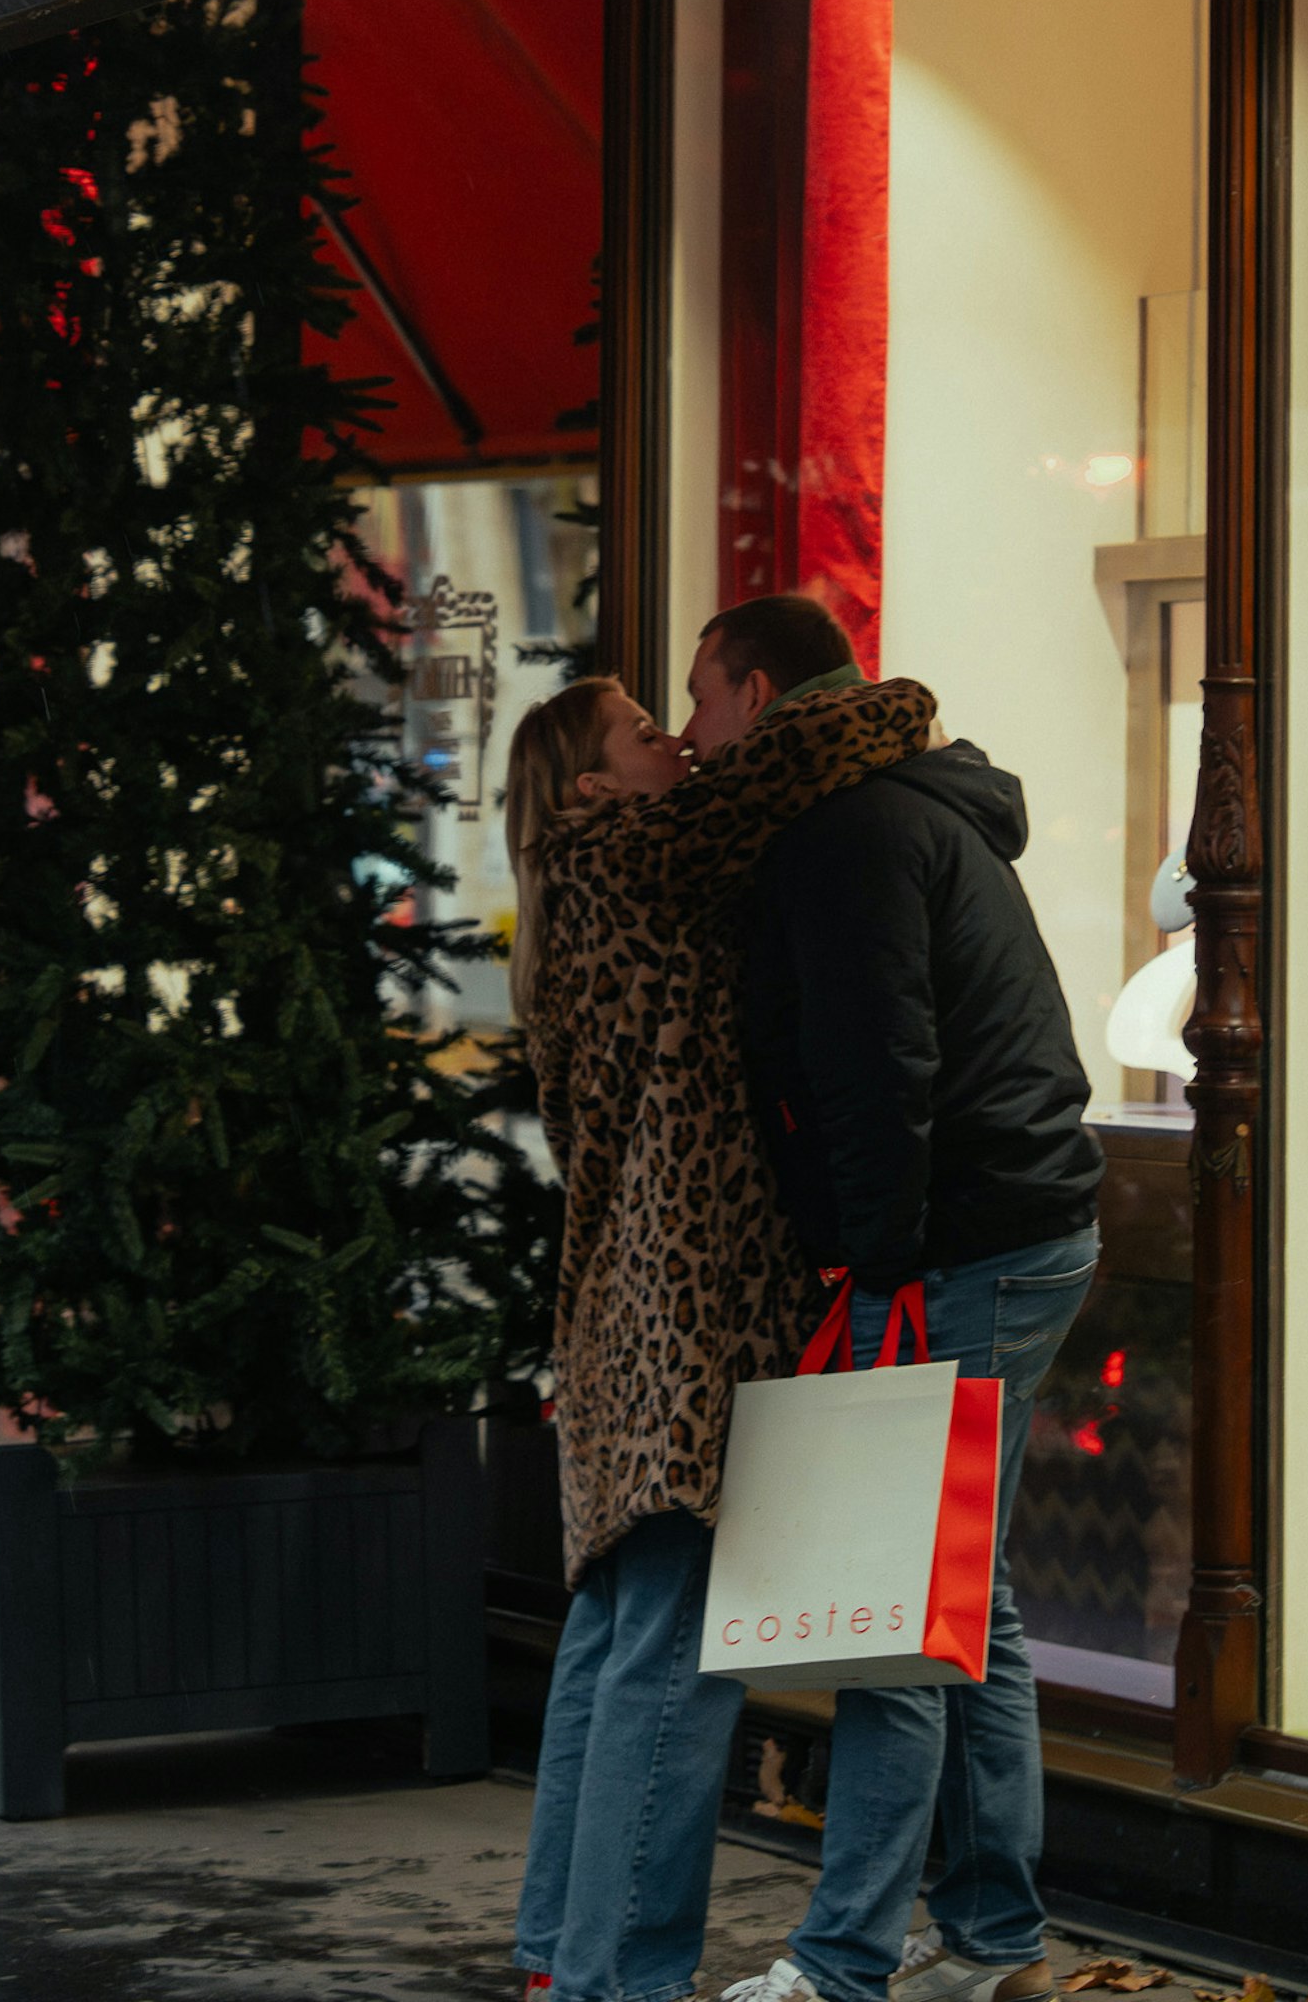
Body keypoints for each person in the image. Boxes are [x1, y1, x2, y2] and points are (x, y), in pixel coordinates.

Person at [683, 595, 1103, 2002]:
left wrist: (871, 1266)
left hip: (956, 1252)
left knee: (904, 1616)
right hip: (1011, 1232)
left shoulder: (843, 830)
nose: (690, 736)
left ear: (754, 690)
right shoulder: (913, 805)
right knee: (961, 1609)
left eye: (698, 700)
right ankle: (992, 1946)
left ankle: (843, 1961)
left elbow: (879, 1068)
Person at [501, 665, 937, 2002]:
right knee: (675, 1647)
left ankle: (557, 1955)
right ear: (591, 783)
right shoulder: (633, 851)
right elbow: (831, 738)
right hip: (688, 1318)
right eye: (647, 730)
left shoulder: (582, 885)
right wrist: (889, 700)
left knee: (618, 1636)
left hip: (629, 1311)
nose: (679, 743)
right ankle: (618, 1977)